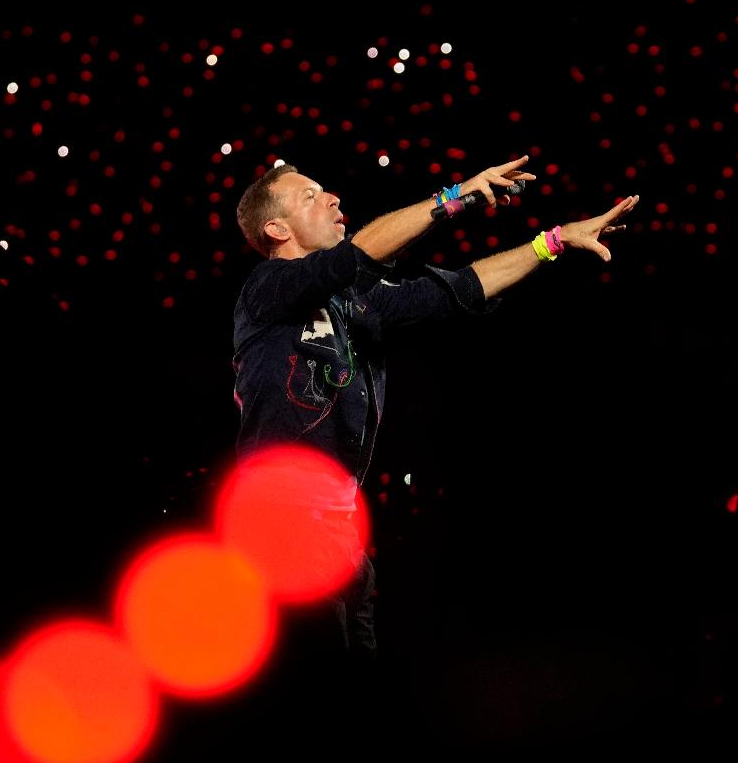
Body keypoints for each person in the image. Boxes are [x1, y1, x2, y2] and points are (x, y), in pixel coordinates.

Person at [230, 153, 637, 674]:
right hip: (281, 527)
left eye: (326, 190)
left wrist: (552, 241)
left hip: (340, 534)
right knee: (314, 698)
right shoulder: (266, 289)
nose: (332, 199)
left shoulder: (357, 303)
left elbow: (459, 289)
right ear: (276, 228)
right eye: (310, 195)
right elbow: (354, 256)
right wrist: (456, 197)